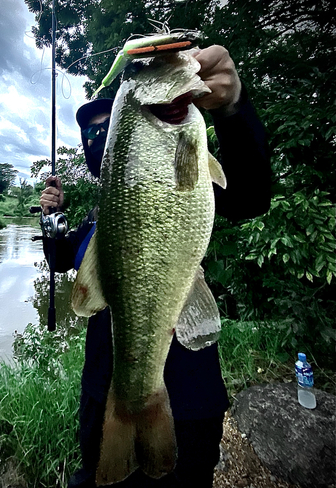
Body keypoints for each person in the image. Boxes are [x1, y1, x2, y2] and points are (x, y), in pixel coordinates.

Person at [40, 45, 271, 488]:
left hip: (187, 402)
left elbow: (251, 197)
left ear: (122, 132)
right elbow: (64, 260)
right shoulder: (95, 218)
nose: (95, 135)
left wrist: (234, 106)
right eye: (86, 131)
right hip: (103, 395)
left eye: (103, 126)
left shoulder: (175, 162)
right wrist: (50, 224)